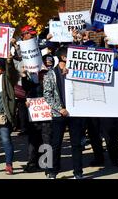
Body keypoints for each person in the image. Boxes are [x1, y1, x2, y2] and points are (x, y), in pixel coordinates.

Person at [43, 47, 85, 179]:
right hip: (58, 114)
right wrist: (59, 108)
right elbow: (47, 95)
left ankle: (78, 173)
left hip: (74, 113)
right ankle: (52, 171)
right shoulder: (50, 74)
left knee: (76, 144)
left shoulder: (76, 72)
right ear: (63, 57)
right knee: (55, 144)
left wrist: (71, 76)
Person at [21, 54, 53, 172]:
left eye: (45, 73)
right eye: (41, 73)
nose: (43, 75)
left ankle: (47, 164)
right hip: (34, 115)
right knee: (33, 140)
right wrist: (24, 75)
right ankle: (32, 163)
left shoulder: (52, 81)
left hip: (47, 116)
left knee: (47, 139)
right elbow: (26, 88)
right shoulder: (32, 80)